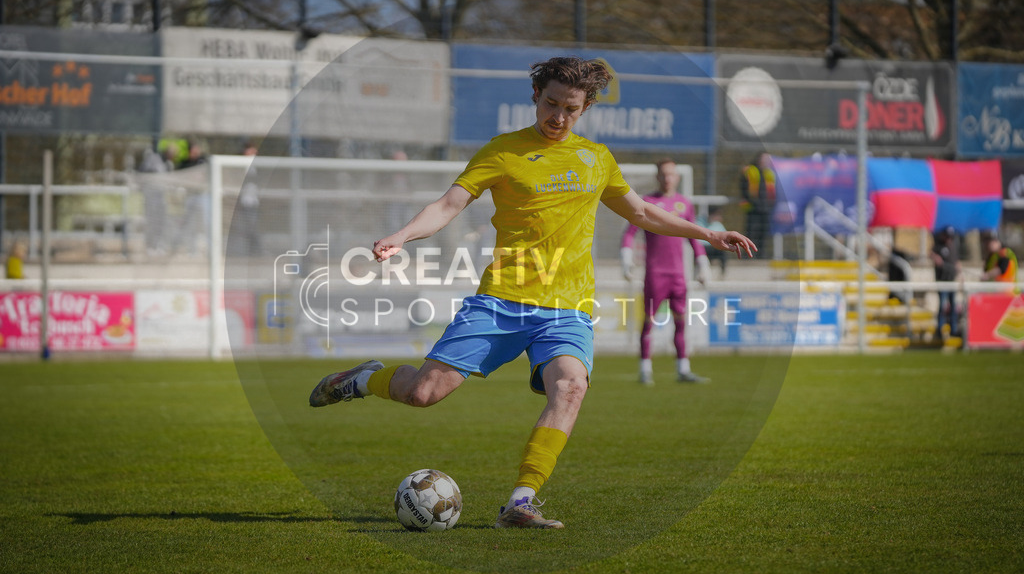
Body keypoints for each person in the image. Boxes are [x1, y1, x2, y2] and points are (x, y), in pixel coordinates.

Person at [308, 56, 756, 530]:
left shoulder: (596, 159)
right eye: (551, 104)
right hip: (501, 301)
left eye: (570, 108)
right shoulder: (503, 151)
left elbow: (642, 212)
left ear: (585, 109)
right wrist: (402, 236)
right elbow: (449, 204)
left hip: (567, 309)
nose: (558, 116)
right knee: (423, 393)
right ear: (536, 96)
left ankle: (520, 501)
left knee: (571, 387)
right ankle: (364, 379)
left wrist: (707, 234)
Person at [621, 159, 713, 385]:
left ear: (677, 177)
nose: (667, 178)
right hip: (656, 273)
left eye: (671, 174)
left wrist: (702, 263)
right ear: (657, 177)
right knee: (649, 321)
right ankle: (645, 369)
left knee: (681, 321)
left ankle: (683, 369)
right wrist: (626, 257)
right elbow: (630, 233)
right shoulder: (647, 202)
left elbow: (694, 236)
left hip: (678, 274)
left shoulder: (684, 204)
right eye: (663, 174)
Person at [739, 152, 776, 256]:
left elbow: (772, 191)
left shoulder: (770, 173)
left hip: (766, 208)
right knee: (751, 232)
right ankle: (747, 254)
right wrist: (753, 202)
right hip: (753, 208)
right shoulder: (750, 170)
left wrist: (770, 204)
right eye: (765, 159)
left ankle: (760, 255)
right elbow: (744, 188)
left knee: (763, 233)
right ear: (758, 159)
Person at [929, 227, 961, 338]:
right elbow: (931, 254)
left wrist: (959, 272)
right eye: (947, 237)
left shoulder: (953, 246)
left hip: (952, 281)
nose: (949, 239)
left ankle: (953, 329)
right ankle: (940, 329)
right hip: (942, 281)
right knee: (942, 306)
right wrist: (935, 257)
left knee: (953, 306)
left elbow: (956, 262)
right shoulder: (938, 246)